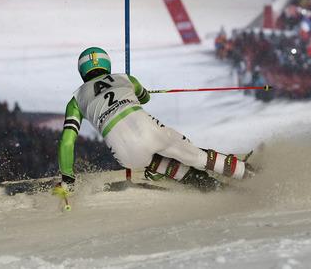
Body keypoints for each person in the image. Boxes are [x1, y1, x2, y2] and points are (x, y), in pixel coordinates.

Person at [54, 47, 254, 197]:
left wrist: (68, 181)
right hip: (149, 131)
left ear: (82, 71)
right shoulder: (126, 78)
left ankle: (209, 187)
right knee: (196, 156)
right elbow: (144, 98)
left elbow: (67, 143)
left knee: (158, 161)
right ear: (106, 65)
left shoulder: (76, 100)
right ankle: (246, 173)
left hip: (125, 156)